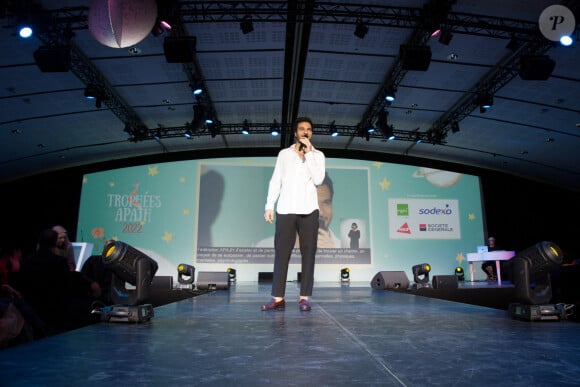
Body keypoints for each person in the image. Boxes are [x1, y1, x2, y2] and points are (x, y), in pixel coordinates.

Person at [261, 117, 325, 312]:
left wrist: (309, 154)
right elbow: (276, 181)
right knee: (281, 254)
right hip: (286, 209)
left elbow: (319, 179)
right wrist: (269, 205)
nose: (305, 132)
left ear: (311, 134)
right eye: (302, 129)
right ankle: (278, 298)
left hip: (309, 210)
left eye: (309, 129)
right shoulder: (284, 154)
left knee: (308, 254)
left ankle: (304, 298)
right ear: (295, 133)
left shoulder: (318, 155)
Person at [254, 172, 340, 249]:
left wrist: (331, 255)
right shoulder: (264, 247)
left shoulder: (342, 248)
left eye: (326, 203)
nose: (320, 212)